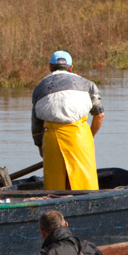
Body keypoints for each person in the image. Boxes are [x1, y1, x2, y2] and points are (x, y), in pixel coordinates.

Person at [31, 50, 104, 191]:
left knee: (54, 187)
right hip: (79, 138)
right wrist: (90, 137)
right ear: (71, 67)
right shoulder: (88, 84)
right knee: (84, 185)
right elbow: (99, 114)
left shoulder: (39, 88)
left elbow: (36, 125)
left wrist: (41, 147)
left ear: (50, 67)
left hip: (52, 140)